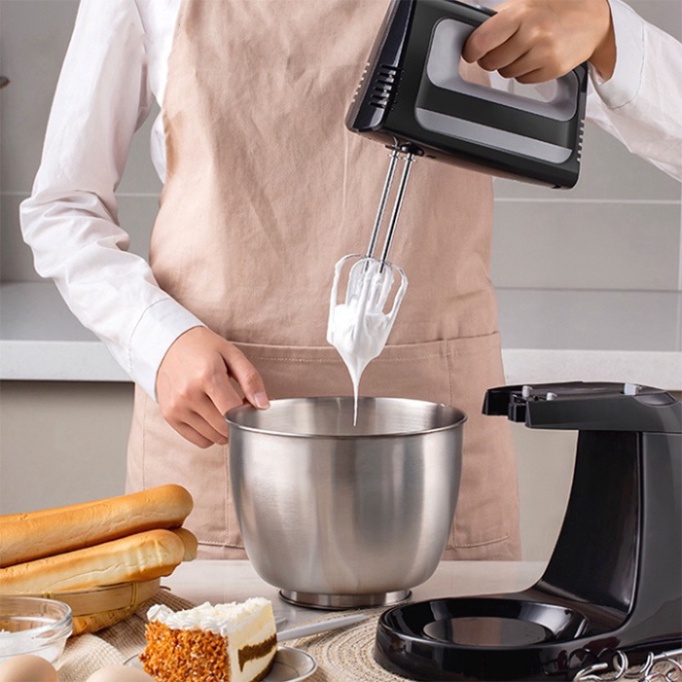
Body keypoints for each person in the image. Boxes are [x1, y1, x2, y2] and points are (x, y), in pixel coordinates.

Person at [21, 0, 682, 560]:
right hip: (221, 433)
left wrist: (606, 32)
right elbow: (63, 205)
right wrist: (156, 338)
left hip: (432, 441)